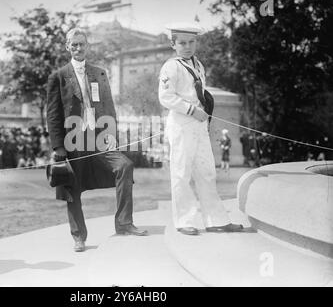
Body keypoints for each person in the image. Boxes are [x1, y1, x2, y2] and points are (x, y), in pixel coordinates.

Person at [47, 28, 148, 252]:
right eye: (74, 45)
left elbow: (109, 106)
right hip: (73, 141)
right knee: (72, 187)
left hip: (100, 137)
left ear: (87, 46)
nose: (78, 48)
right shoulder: (59, 76)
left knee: (125, 166)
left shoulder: (99, 73)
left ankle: (124, 223)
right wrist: (58, 147)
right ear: (67, 47)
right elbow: (53, 114)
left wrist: (111, 133)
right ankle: (78, 237)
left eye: (82, 44)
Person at [158, 22, 243, 236]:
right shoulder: (171, 66)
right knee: (181, 173)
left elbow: (199, 92)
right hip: (182, 124)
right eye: (182, 43)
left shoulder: (198, 64)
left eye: (191, 42)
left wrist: (204, 109)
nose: (187, 47)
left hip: (199, 125)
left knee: (207, 172)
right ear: (173, 44)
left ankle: (216, 220)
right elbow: (166, 97)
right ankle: (184, 221)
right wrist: (190, 110)